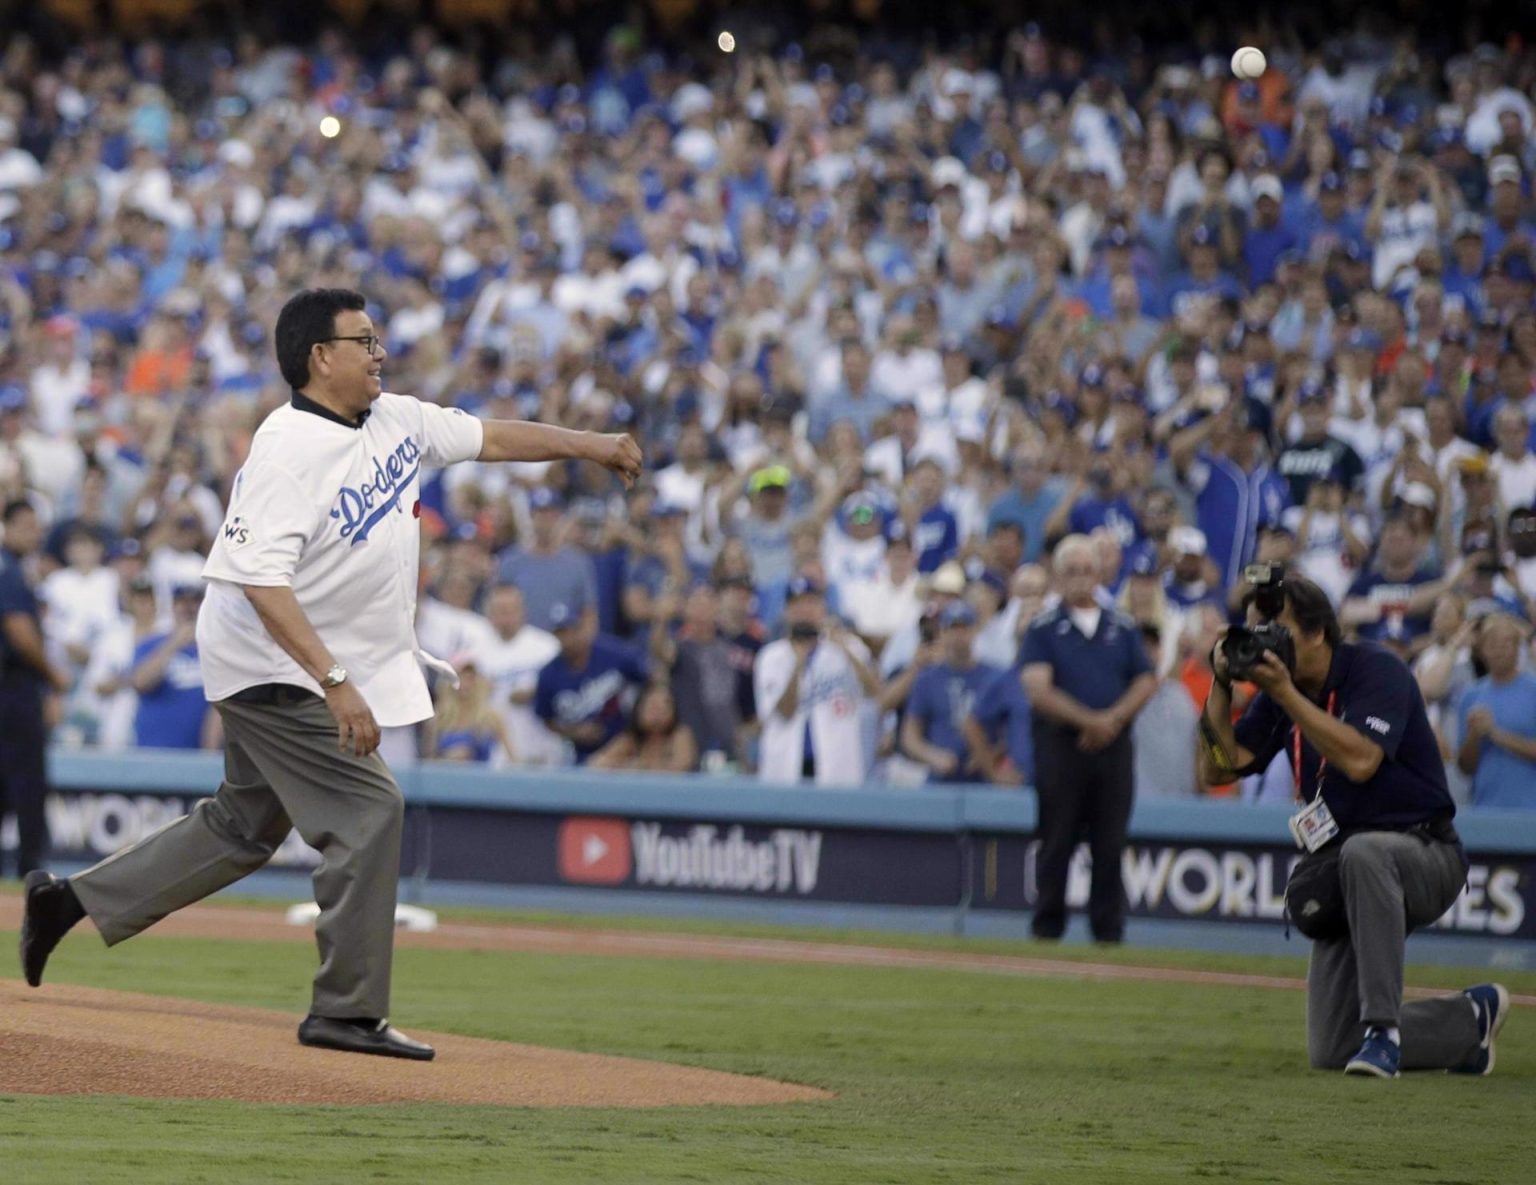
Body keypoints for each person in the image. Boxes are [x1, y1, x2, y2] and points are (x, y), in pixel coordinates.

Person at [19, 287, 642, 1063]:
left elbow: (490, 438)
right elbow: (259, 578)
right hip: (267, 663)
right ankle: (345, 1010)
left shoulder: (396, 419)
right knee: (371, 807)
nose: (380, 351)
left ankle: (67, 900)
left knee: (241, 828)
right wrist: (337, 680)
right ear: (322, 357)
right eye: (364, 339)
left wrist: (592, 443)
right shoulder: (285, 450)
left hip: (304, 660)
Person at [1197, 573, 1510, 1077]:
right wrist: (1220, 683)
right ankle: (1469, 1023)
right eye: (1258, 632)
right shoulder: (1284, 690)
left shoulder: (1375, 670)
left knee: (1364, 851)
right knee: (1332, 1048)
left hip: (1424, 853)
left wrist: (1285, 694)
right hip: (1347, 869)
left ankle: (1384, 1033)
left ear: (1318, 633)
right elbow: (1216, 767)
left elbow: (1362, 760)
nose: (1265, 643)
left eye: (1278, 630)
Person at [1020, 534, 1156, 943]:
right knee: (1056, 838)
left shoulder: (1123, 625)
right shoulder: (1043, 628)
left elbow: (1147, 679)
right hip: (1062, 746)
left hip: (1112, 747)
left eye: (1086, 570)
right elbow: (1036, 688)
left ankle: (1108, 928)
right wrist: (1090, 722)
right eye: (1071, 571)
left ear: (1099, 574)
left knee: (1110, 843)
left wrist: (1109, 720)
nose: (1080, 578)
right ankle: (1048, 924)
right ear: (1058, 577)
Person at [753, 576, 879, 786]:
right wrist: (799, 664)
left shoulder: (848, 648)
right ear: (786, 611)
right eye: (797, 604)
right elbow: (784, 712)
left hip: (838, 770)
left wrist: (845, 648)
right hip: (785, 771)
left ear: (823, 606)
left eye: (811, 602)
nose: (805, 610)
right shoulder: (771, 657)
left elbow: (874, 693)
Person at [1, 499, 68, 876]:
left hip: (11, 687)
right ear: (7, 527)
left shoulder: (17, 569)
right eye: (26, 525)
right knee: (28, 781)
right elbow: (19, 631)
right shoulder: (9, 571)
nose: (35, 532)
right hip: (13, 689)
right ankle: (31, 867)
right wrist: (54, 677)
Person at [533, 601, 650, 764]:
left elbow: (650, 680)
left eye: (570, 631)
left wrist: (634, 729)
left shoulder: (615, 654)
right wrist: (574, 732)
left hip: (626, 750)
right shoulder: (548, 674)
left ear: (582, 628)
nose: (566, 638)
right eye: (560, 633)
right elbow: (546, 718)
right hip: (579, 756)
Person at [900, 601, 1000, 782]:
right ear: (942, 633)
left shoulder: (994, 677)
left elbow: (1011, 728)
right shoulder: (928, 679)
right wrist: (932, 756)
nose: (959, 635)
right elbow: (910, 736)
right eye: (953, 629)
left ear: (975, 630)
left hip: (984, 778)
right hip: (940, 778)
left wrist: (990, 755)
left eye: (965, 628)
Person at [1457, 613, 1536, 809]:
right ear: (1482, 650)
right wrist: (1474, 737)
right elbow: (1465, 767)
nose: (1499, 651)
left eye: (1505, 644)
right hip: (1484, 809)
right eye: (1492, 645)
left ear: (1518, 648)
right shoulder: (1470, 696)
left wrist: (1495, 733)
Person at [588, 682, 699, 773]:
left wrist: (641, 767)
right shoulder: (631, 739)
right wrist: (625, 766)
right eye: (652, 707)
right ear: (639, 710)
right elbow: (596, 763)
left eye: (663, 708)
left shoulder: (680, 735)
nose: (658, 714)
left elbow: (681, 766)